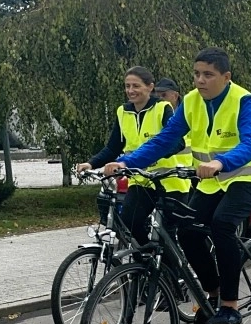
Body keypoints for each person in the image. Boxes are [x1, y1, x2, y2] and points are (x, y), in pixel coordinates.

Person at [104, 47, 251, 324]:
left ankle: (230, 308)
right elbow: (164, 140)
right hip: (214, 180)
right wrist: (124, 162)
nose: (200, 80)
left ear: (225, 77)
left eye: (208, 75)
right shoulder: (192, 103)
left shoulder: (242, 101)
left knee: (222, 224)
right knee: (186, 229)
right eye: (196, 74)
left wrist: (222, 162)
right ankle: (212, 294)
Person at [76, 67, 190, 244]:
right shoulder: (123, 112)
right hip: (141, 180)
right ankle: (145, 263)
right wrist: (91, 164)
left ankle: (170, 268)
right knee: (128, 220)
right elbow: (113, 148)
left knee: (167, 234)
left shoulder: (162, 108)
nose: (130, 90)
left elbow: (177, 142)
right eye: (127, 86)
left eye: (136, 86)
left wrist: (149, 156)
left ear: (150, 87)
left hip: (171, 180)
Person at [153, 78, 194, 170]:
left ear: (175, 96)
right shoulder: (156, 115)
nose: (160, 100)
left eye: (164, 95)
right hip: (161, 174)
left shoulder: (189, 115)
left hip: (188, 175)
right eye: (157, 97)